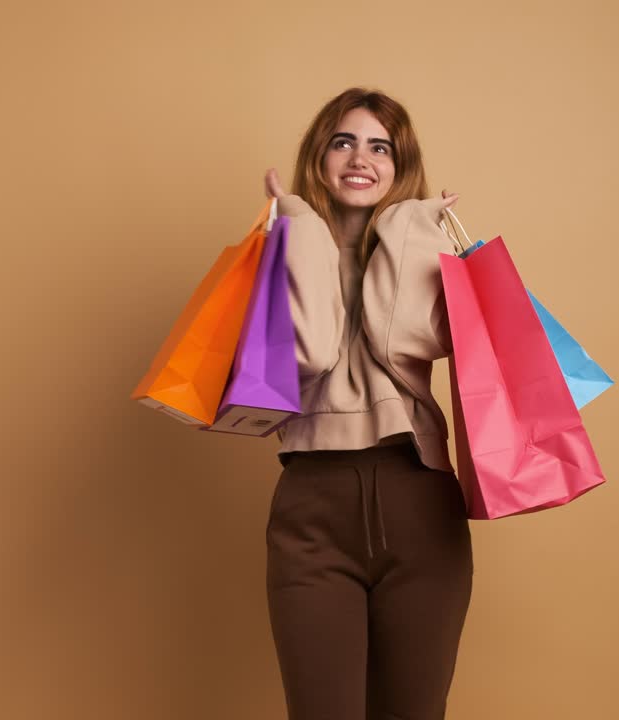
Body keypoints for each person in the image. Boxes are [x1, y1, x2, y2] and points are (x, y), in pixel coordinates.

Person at [262, 87, 473, 720]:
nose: (361, 158)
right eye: (344, 141)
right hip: (311, 510)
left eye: (381, 147)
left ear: (398, 164)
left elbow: (402, 335)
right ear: (319, 156)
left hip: (419, 504)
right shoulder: (281, 247)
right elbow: (312, 352)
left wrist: (407, 228)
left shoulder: (423, 248)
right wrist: (299, 227)